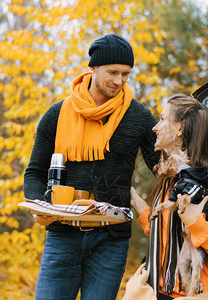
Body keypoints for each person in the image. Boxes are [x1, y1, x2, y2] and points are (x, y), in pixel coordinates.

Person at [23, 33, 160, 300]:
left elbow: (162, 167)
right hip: (62, 234)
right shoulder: (56, 115)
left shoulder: (139, 116)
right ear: (93, 68)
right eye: (112, 72)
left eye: (126, 74)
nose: (119, 81)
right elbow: (34, 173)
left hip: (111, 240)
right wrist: (39, 204)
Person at [130, 94, 208, 299]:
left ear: (180, 128)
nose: (154, 127)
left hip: (197, 293)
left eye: (161, 119)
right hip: (155, 290)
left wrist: (198, 224)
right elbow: (165, 231)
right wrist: (132, 197)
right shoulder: (168, 176)